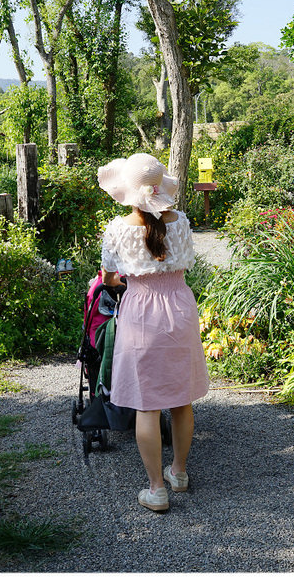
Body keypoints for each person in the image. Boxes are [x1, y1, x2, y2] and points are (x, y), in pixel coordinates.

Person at [97, 153, 210, 512]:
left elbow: (109, 278)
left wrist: (128, 274)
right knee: (180, 397)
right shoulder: (181, 223)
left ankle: (156, 489)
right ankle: (179, 472)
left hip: (142, 311)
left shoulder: (118, 228)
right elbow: (183, 262)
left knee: (147, 404)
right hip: (178, 307)